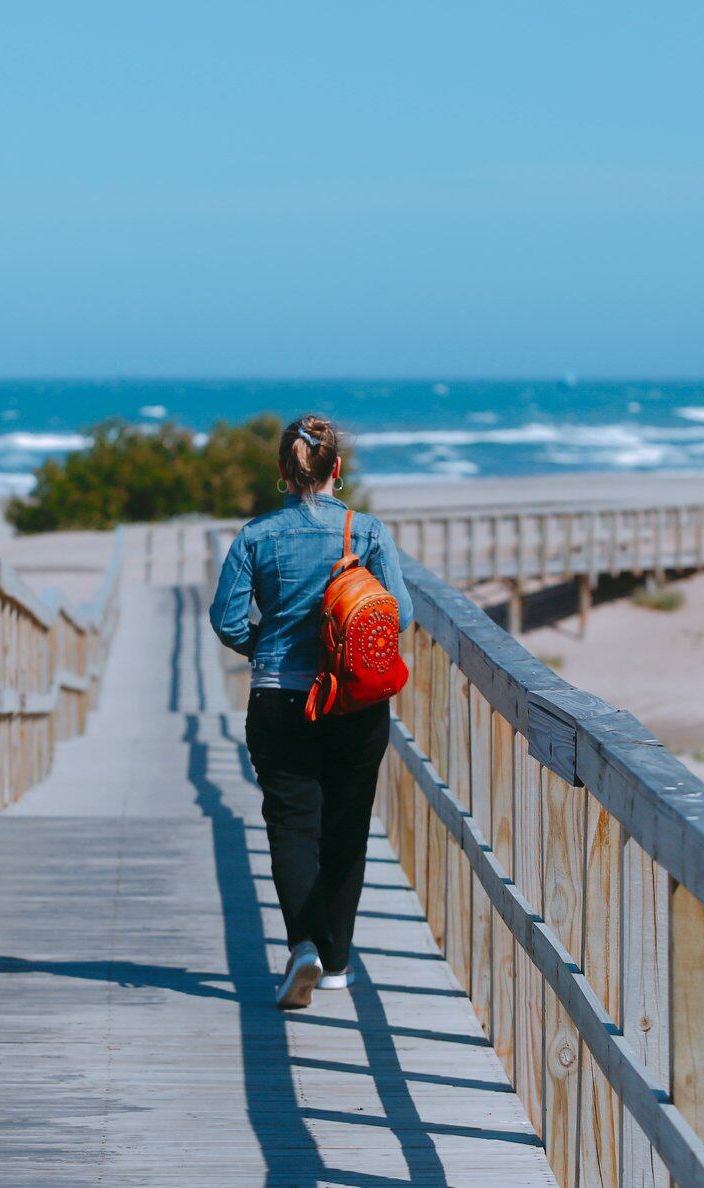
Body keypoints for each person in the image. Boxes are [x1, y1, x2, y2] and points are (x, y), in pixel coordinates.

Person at [208, 414, 412, 1009]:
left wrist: (264, 648)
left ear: (282, 470)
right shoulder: (366, 532)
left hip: (279, 699)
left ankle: (302, 944)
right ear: (337, 470)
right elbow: (396, 615)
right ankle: (338, 963)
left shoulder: (254, 536)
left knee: (292, 824)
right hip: (351, 701)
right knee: (346, 827)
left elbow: (226, 619)